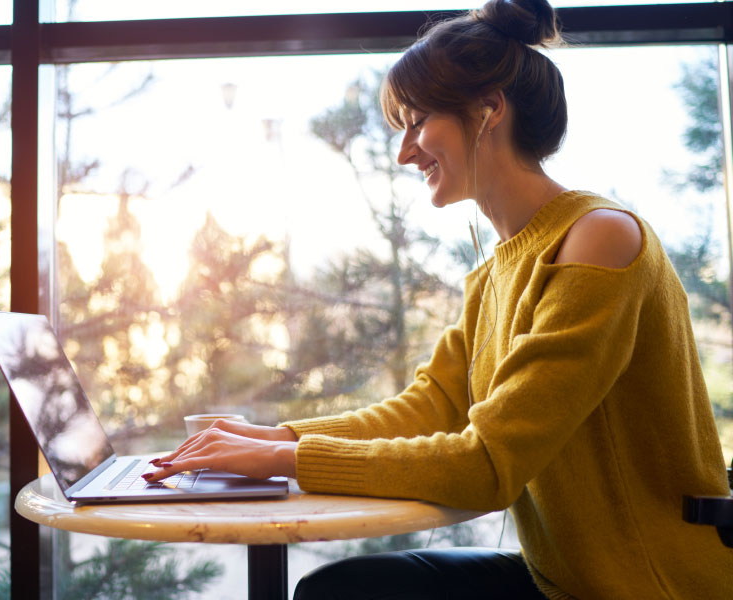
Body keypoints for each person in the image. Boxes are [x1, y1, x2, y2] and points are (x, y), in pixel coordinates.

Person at [145, 0, 733, 597]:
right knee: (343, 589)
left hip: (647, 586)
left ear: (488, 110)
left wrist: (283, 462)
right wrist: (275, 438)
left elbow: (488, 466)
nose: (404, 152)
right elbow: (429, 407)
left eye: (418, 120)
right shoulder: (492, 275)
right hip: (561, 579)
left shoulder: (599, 238)